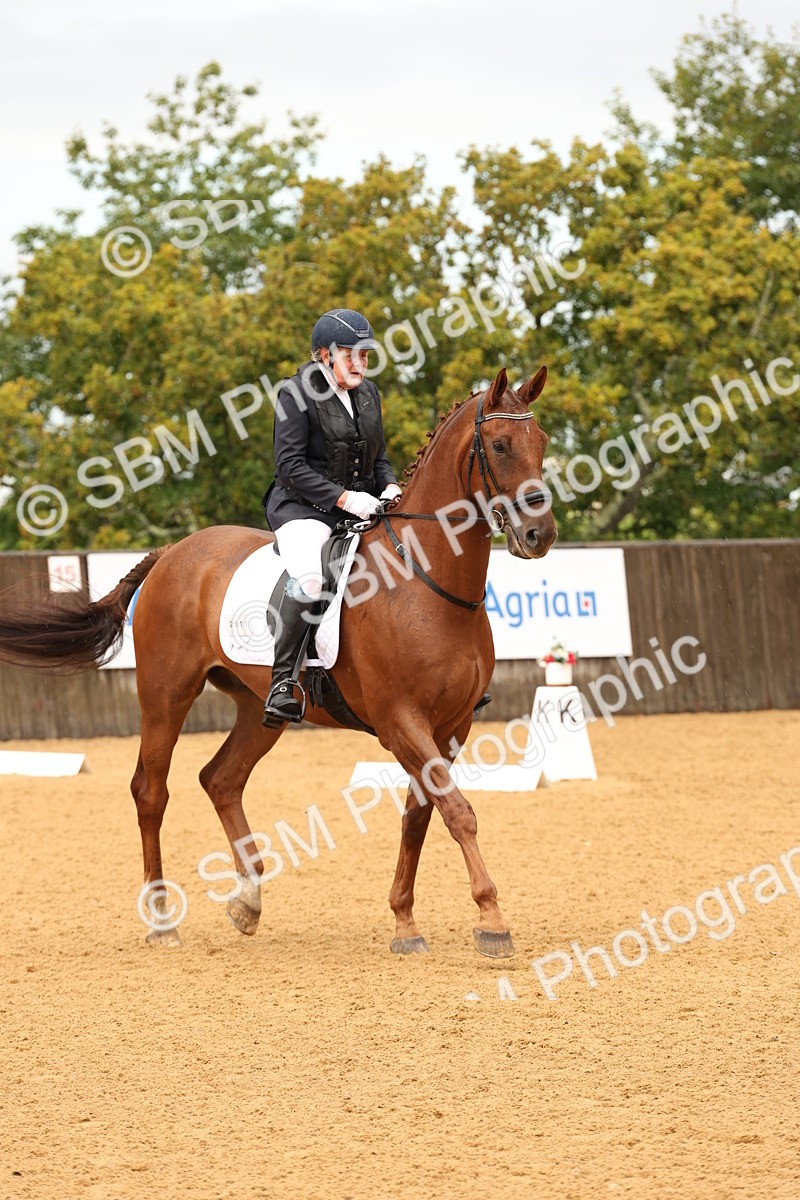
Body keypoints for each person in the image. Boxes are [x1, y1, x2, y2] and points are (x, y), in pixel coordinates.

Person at [262, 308, 401, 725]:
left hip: (359, 506)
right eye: (351, 355)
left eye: (365, 356)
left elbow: (379, 456)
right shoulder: (295, 393)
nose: (360, 364)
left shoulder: (369, 394)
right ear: (325, 355)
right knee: (309, 579)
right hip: (303, 508)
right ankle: (283, 682)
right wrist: (345, 499)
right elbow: (290, 467)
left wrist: (389, 486)